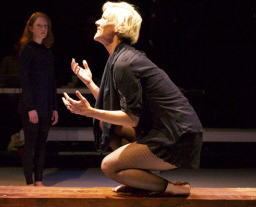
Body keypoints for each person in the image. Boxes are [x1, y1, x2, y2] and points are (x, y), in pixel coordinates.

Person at [62, 1, 203, 196]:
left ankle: (174, 189)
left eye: (104, 18)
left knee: (108, 167)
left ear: (119, 27)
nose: (97, 21)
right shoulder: (119, 59)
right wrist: (90, 84)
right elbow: (115, 108)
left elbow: (132, 118)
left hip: (177, 136)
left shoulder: (125, 63)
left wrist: (90, 112)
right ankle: (140, 182)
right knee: (106, 126)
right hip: (162, 129)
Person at [18, 12, 59, 186]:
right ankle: (29, 181)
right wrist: (30, 108)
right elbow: (25, 81)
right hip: (32, 106)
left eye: (46, 26)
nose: (43, 29)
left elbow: (51, 82)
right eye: (39, 26)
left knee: (42, 145)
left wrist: (55, 107)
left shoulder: (47, 52)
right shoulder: (26, 50)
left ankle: (39, 180)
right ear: (30, 28)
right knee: (31, 145)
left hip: (46, 105)